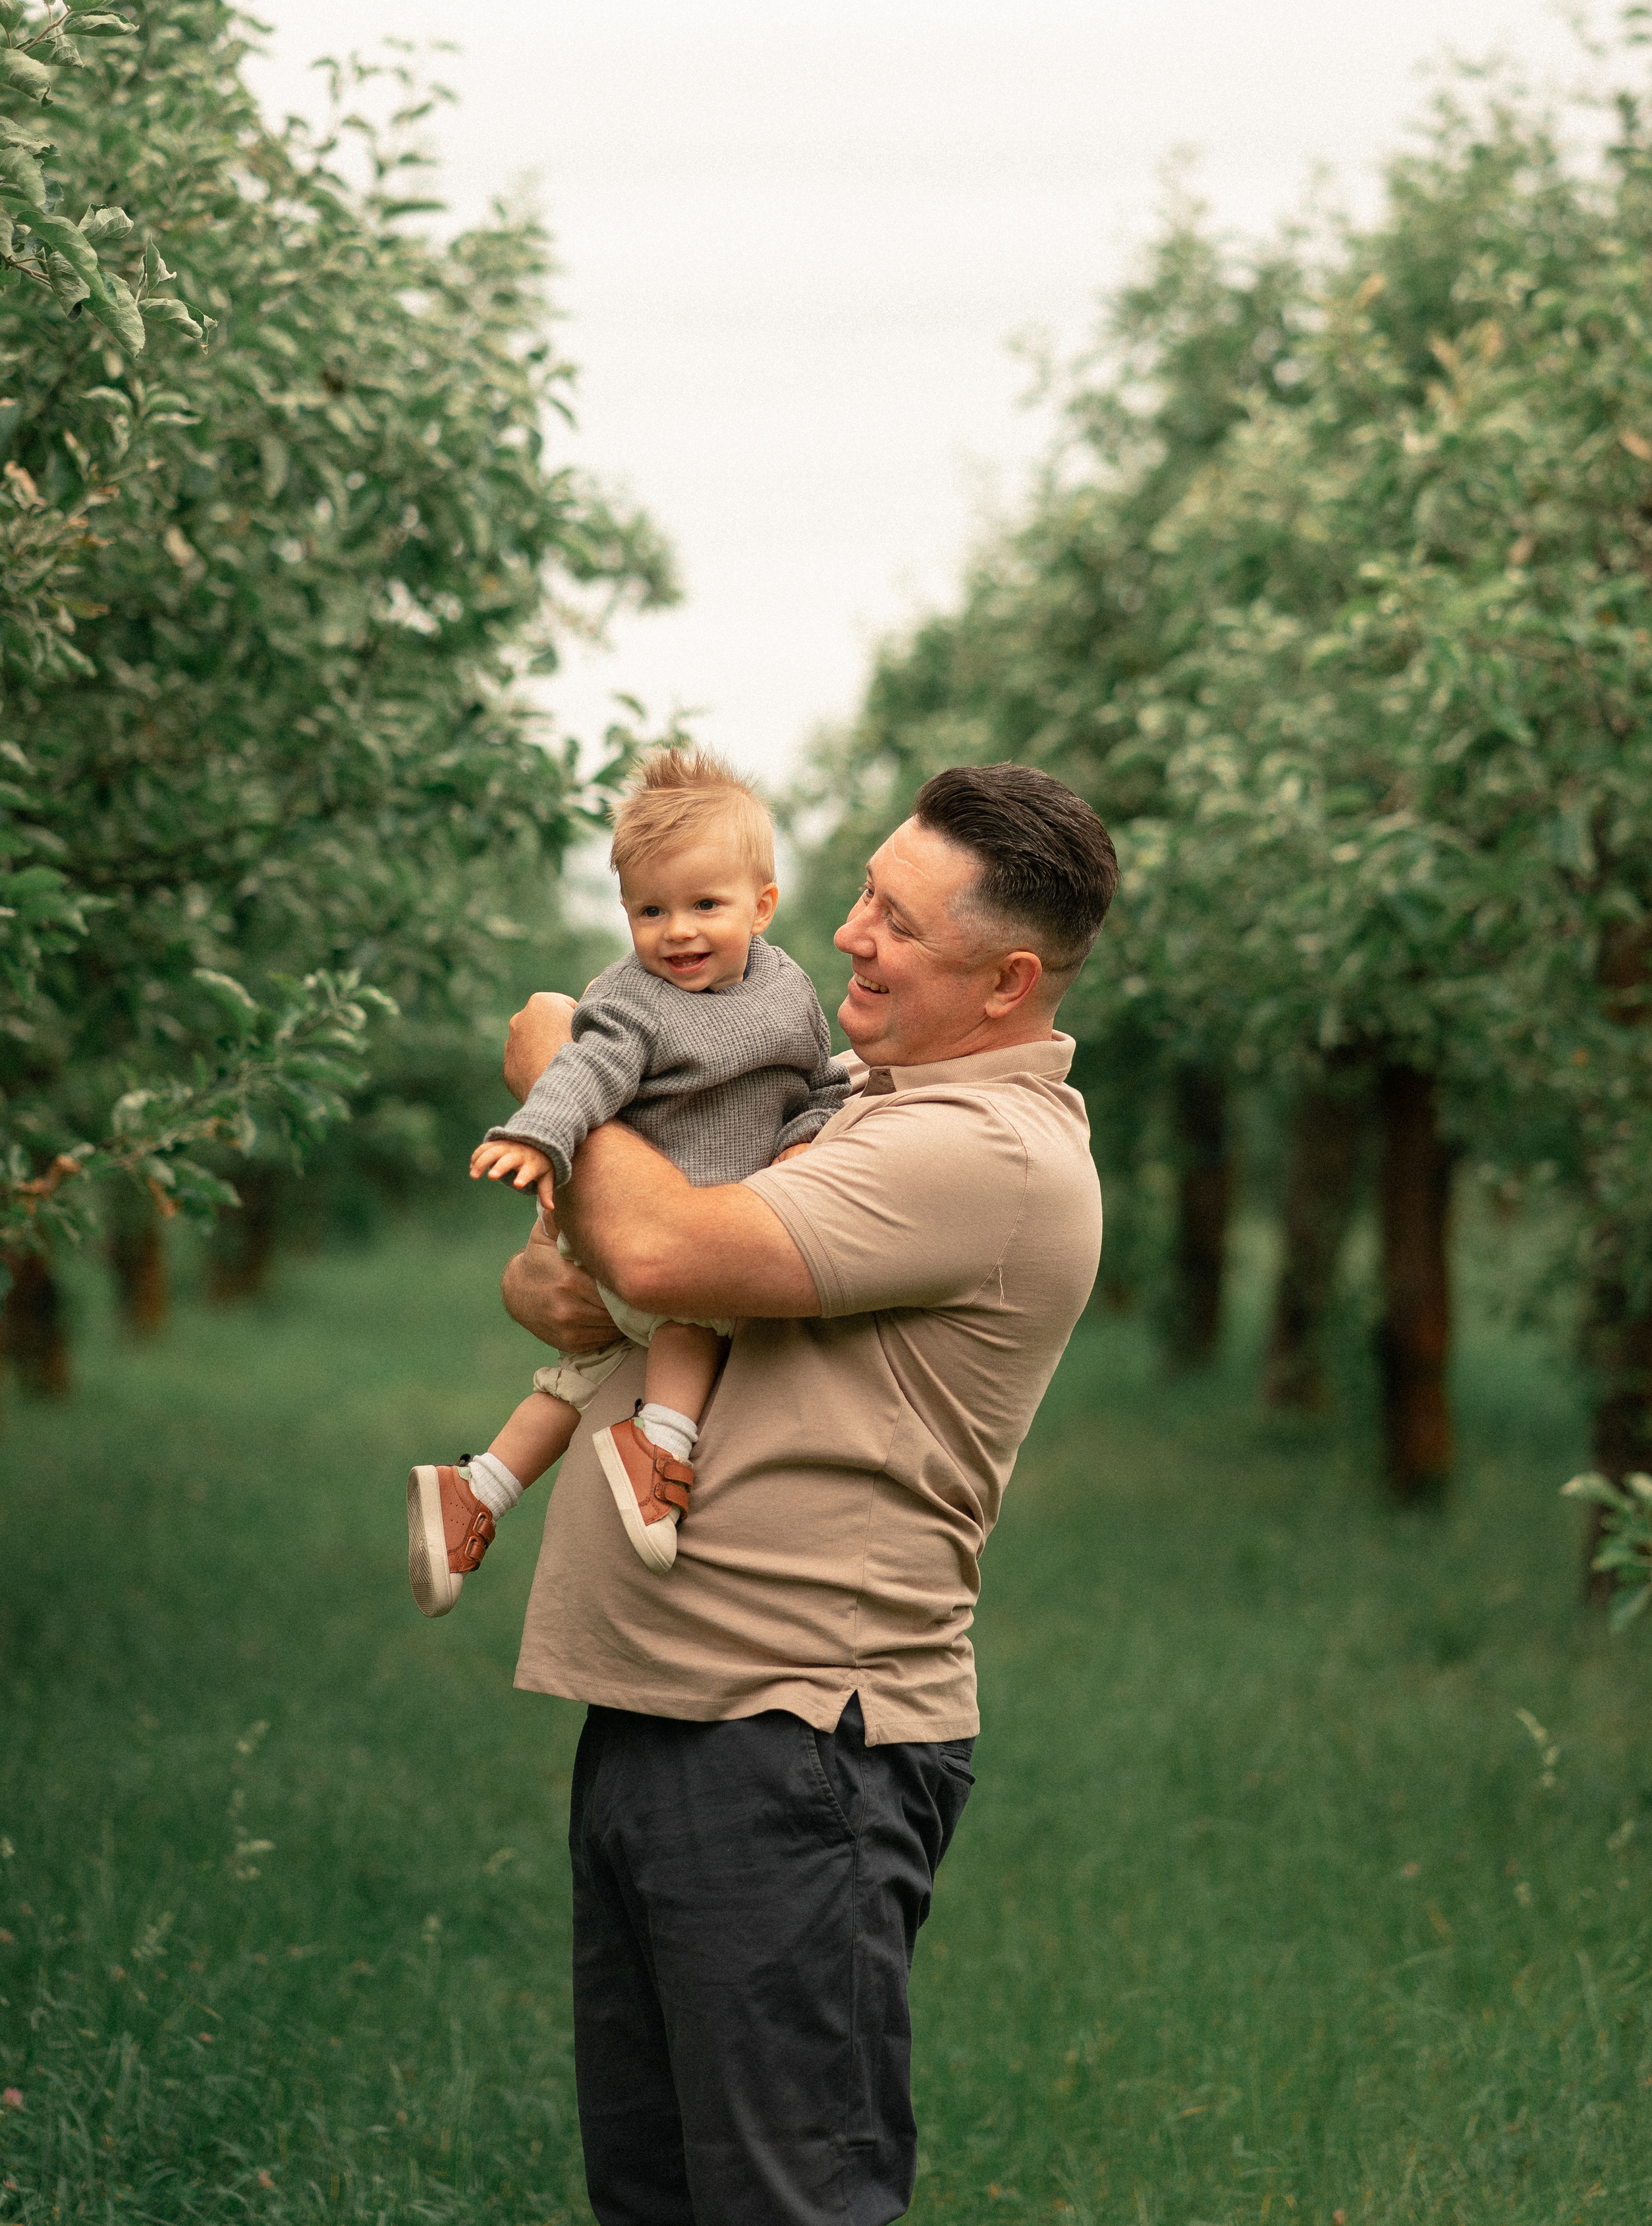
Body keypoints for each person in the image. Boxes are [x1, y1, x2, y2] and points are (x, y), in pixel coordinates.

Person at [498, 762, 1116, 2226]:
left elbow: (653, 1254)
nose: (846, 934)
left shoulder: (979, 1151)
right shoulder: (849, 1099)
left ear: (1004, 981)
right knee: (655, 2198)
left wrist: (550, 1045)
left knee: (786, 2203)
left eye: (896, 923)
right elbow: (585, 1279)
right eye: (861, 896)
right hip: (670, 1710)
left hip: (797, 1744)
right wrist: (572, 1259)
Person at [406, 748, 850, 1616]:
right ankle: (660, 1446)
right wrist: (539, 1135)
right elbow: (583, 1073)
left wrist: (807, 1144)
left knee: (579, 1377)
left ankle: (476, 1491)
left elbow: (817, 1082)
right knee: (699, 1308)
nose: (678, 931)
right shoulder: (631, 999)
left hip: (696, 1212)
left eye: (705, 906)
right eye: (653, 911)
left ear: (762, 906)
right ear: (626, 913)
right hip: (648, 1217)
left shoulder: (793, 992)